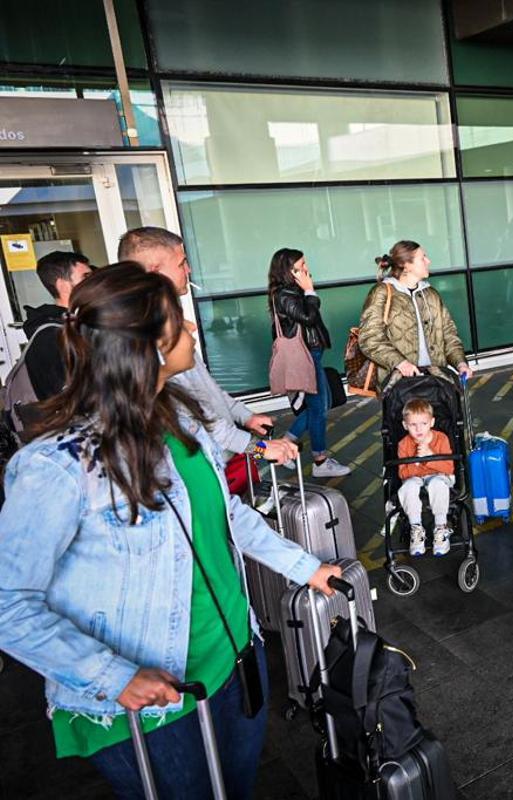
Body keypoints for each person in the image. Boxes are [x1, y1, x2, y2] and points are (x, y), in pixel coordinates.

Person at [0, 263, 342, 798]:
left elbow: (226, 517)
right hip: (153, 703)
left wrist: (307, 568)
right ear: (147, 348)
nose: (190, 332)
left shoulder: (178, 425)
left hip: (232, 656)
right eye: (178, 324)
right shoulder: (57, 467)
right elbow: (9, 603)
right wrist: (115, 678)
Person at [118, 227, 296, 466]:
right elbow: (201, 419)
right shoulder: (152, 341)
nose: (189, 270)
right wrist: (260, 449)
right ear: (154, 272)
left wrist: (245, 417)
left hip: (222, 457)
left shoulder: (166, 329)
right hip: (207, 461)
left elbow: (206, 389)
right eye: (181, 264)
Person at [267, 248, 350, 478]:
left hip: (311, 354)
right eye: (301, 266)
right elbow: (308, 317)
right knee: (319, 409)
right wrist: (310, 292)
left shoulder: (292, 291)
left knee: (318, 407)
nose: (306, 269)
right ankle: (320, 461)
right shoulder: (285, 294)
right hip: (305, 356)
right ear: (288, 270)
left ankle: (285, 445)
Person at [358, 240, 472, 392]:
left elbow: (448, 334)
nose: (428, 261)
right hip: (399, 384)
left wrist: (460, 363)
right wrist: (400, 363)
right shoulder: (382, 293)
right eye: (422, 257)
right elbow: (369, 337)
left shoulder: (431, 294)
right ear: (407, 265)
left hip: (436, 380)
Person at [23, 251, 92, 401]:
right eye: (85, 277)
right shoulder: (53, 336)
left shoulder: (71, 323)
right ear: (63, 285)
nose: (94, 283)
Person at [396, 398, 455, 557]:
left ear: (432, 422)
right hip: (415, 477)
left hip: (439, 475)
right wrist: (415, 461)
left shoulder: (441, 439)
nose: (418, 429)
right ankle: (416, 527)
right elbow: (402, 473)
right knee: (408, 487)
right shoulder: (404, 444)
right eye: (413, 425)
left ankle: (441, 527)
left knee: (437, 484)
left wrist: (429, 457)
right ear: (405, 425)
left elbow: (449, 468)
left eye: (423, 423)